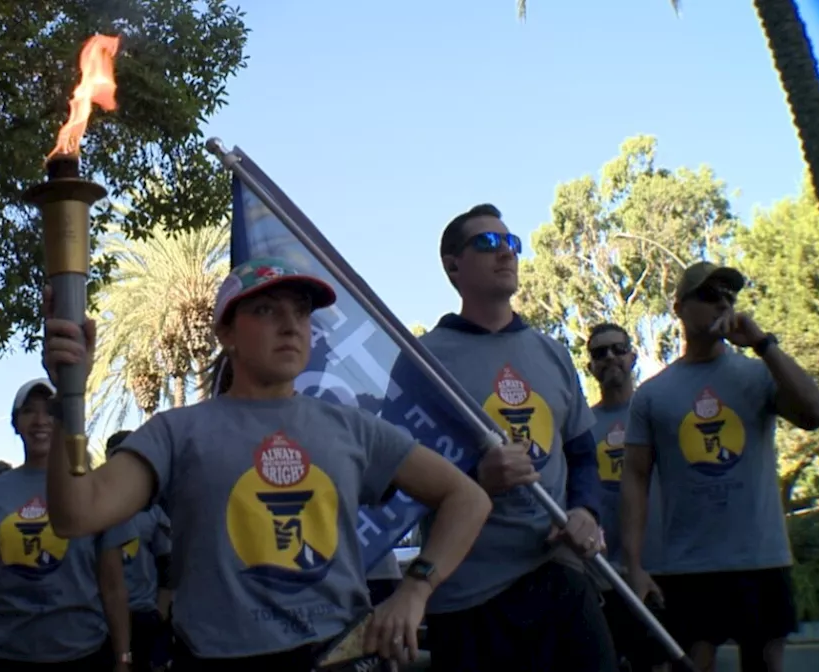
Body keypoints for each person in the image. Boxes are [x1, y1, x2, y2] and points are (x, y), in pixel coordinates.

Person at [42, 257, 492, 671]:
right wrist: (68, 397)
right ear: (226, 333)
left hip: (338, 655)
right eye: (266, 311)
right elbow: (77, 514)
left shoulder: (353, 428)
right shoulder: (176, 432)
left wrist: (416, 589)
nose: (291, 326)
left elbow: (467, 498)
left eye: (300, 312)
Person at [418, 204, 618, 671]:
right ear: (452, 265)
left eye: (512, 243)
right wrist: (473, 480)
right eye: (487, 243)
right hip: (467, 596)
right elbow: (397, 479)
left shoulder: (551, 353)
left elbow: (582, 455)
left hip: (560, 577)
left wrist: (586, 511)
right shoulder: (423, 360)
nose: (505, 252)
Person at [621, 261, 819, 672]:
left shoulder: (758, 374)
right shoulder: (652, 394)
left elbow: (815, 413)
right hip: (690, 567)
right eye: (709, 295)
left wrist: (763, 344)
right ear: (678, 308)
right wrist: (635, 566)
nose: (722, 304)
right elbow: (635, 479)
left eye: (728, 296)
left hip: (761, 559)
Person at [0, 379, 135, 672]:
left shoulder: (93, 488)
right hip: (4, 654)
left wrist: (124, 659)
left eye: (51, 411)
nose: (40, 421)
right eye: (29, 411)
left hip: (84, 653)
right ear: (15, 424)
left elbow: (113, 586)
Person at [584, 323, 669, 672]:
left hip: (665, 567)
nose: (610, 358)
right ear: (590, 366)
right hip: (606, 575)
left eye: (618, 349)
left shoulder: (658, 415)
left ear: (633, 356)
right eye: (599, 353)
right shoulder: (581, 426)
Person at [106, 430, 173, 672]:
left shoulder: (153, 510)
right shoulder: (92, 510)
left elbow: (167, 563)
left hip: (144, 615)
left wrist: (160, 611)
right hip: (100, 618)